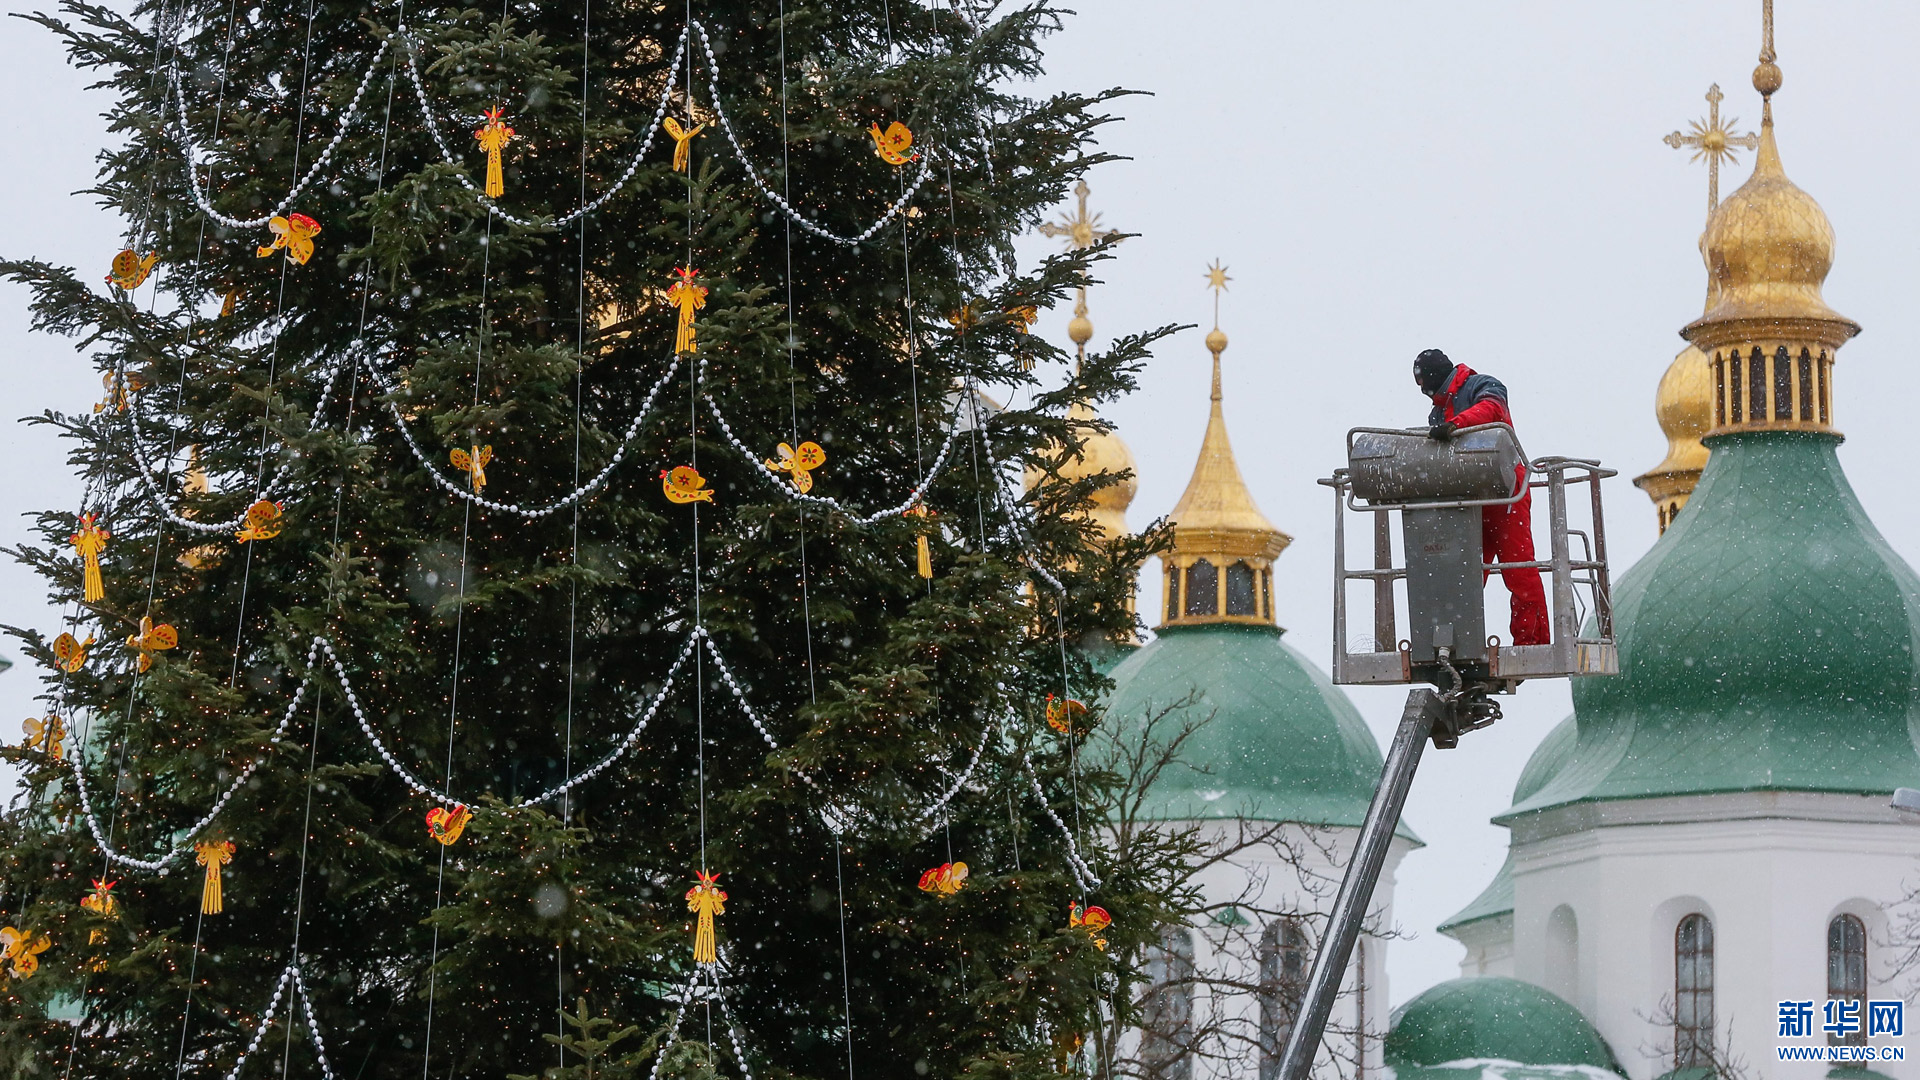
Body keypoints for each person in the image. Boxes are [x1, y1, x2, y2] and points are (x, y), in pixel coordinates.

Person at [1413, 348, 1550, 646]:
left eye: (1424, 384)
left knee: (1518, 569)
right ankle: (1454, 643)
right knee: (1463, 575)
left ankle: (1532, 642)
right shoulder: (1438, 410)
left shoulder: (1482, 386)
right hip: (1470, 498)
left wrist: (1455, 426)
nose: (1424, 391)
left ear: (1436, 377)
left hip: (1506, 493)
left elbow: (1492, 410)